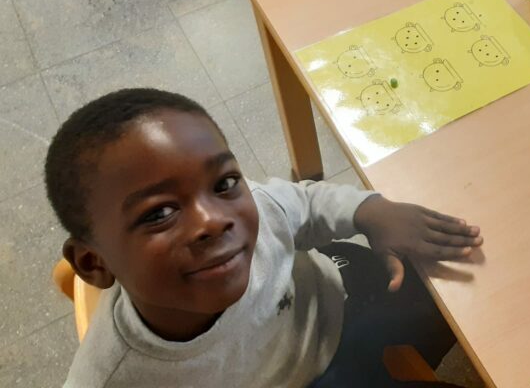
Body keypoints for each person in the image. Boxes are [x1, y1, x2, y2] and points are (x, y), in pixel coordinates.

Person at [45, 88, 481, 387]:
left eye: (223, 183)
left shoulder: (255, 210)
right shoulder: (115, 377)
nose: (213, 220)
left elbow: (304, 202)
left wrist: (370, 212)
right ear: (93, 263)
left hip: (339, 297)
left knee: (457, 308)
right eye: (159, 213)